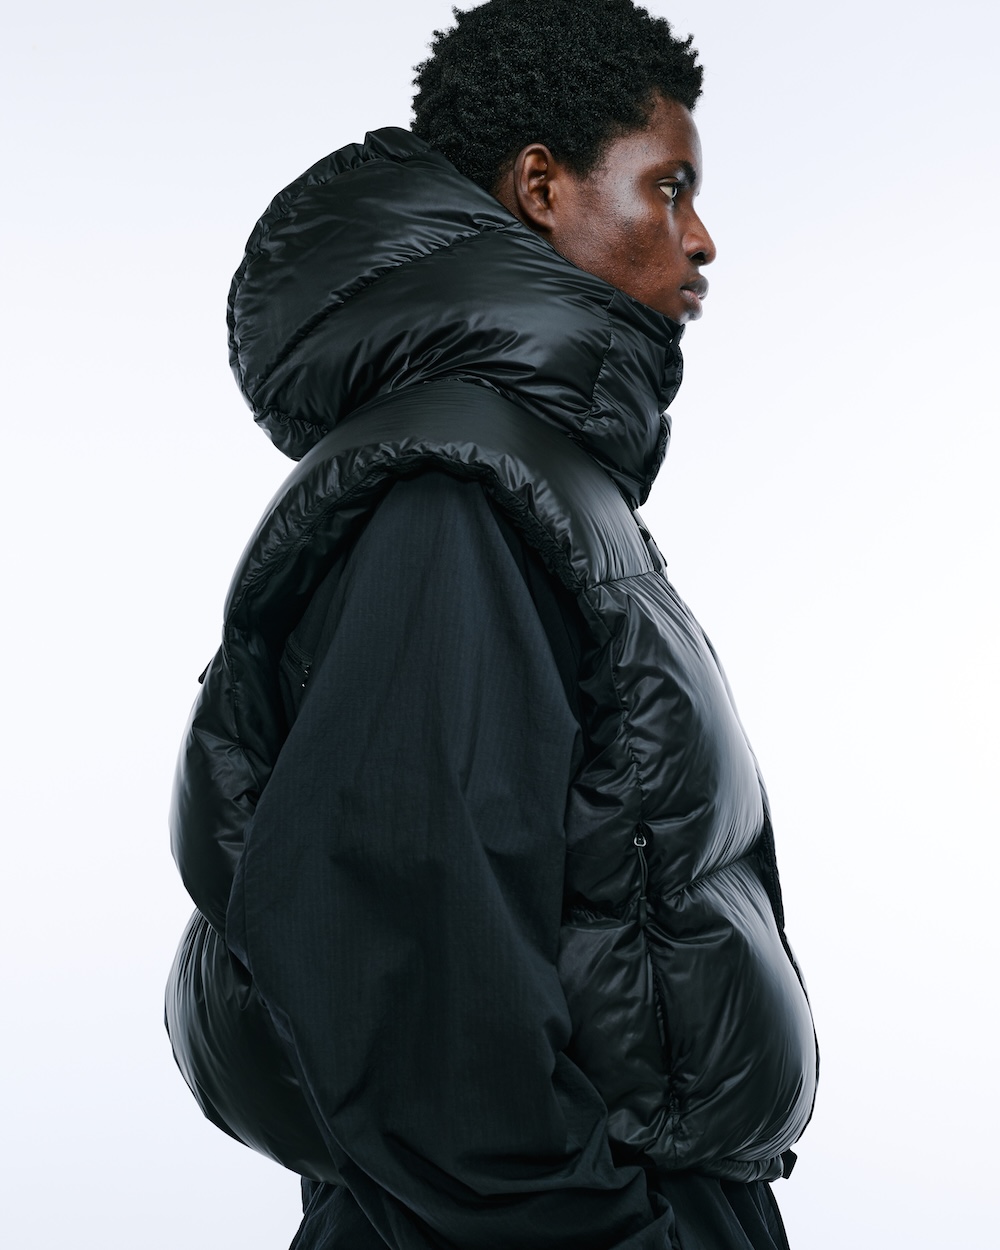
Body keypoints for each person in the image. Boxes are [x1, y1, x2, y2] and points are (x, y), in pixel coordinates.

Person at [165, 1, 818, 1247]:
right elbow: (408, 975)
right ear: (540, 186)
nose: (701, 237)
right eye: (667, 187)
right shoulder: (453, 494)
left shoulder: (529, 474)